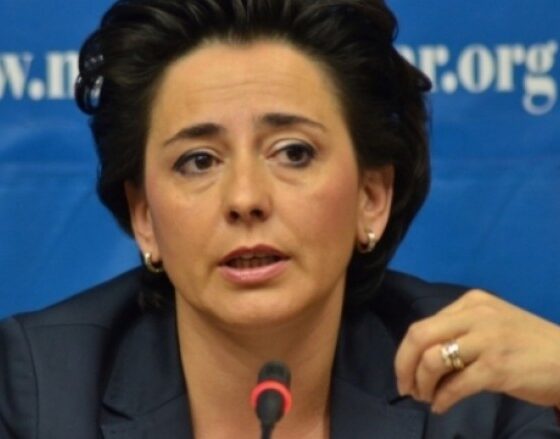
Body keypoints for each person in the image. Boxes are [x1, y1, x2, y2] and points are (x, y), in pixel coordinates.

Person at [0, 0, 559, 437]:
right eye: (199, 161)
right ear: (144, 216)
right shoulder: (41, 393)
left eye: (293, 152)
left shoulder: (474, 391)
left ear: (371, 197)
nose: (245, 198)